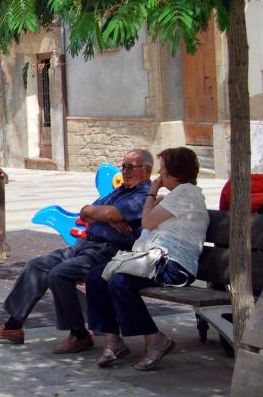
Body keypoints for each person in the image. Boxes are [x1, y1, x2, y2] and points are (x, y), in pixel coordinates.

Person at [0, 149, 153, 353]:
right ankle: (13, 326)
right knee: (37, 266)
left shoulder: (142, 196)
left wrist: (107, 215)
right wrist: (101, 215)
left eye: (130, 167)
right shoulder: (119, 191)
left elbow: (110, 212)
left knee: (60, 274)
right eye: (123, 167)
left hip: (107, 251)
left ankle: (79, 334)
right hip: (84, 245)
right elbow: (85, 212)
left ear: (147, 170)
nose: (125, 171)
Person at [86, 147, 208, 371]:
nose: (159, 176)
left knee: (120, 282)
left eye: (162, 171)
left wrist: (152, 192)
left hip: (174, 267)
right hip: (155, 261)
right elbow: (150, 221)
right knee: (96, 276)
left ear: (175, 174)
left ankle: (154, 340)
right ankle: (113, 341)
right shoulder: (179, 195)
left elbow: (148, 222)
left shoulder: (186, 193)